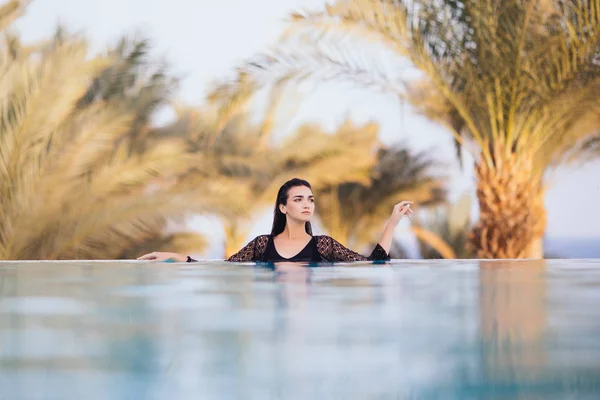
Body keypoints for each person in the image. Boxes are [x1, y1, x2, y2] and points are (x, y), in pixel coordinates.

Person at [137, 178, 413, 263]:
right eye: (298, 199)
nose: (307, 204)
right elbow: (221, 268)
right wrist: (171, 256)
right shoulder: (261, 245)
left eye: (310, 199)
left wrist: (392, 221)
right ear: (283, 207)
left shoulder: (324, 246)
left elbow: (373, 264)